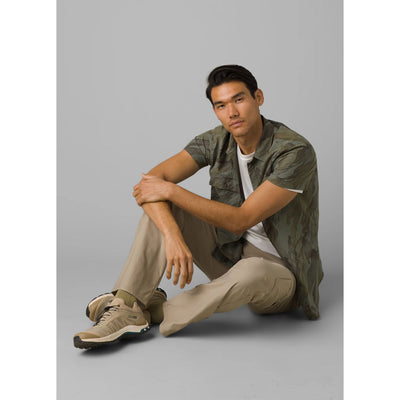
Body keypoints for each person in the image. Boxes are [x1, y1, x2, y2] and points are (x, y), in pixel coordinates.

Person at [73, 65, 323, 349]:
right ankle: (127, 304)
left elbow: (241, 219)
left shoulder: (294, 151)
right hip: (231, 254)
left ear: (258, 98)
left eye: (239, 99)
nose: (232, 112)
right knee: (161, 203)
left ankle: (153, 310)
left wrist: (171, 190)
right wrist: (172, 235)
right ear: (215, 110)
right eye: (221, 105)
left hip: (281, 275)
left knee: (251, 270)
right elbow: (149, 183)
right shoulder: (215, 140)